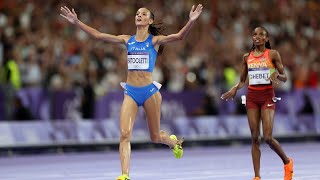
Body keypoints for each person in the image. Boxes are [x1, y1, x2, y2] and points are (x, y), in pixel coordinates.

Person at [60, 4, 203, 180]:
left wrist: (191, 21)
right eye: (137, 13)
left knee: (155, 136)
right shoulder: (127, 40)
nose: (139, 15)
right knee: (125, 134)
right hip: (131, 92)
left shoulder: (154, 41)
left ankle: (174, 142)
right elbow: (98, 35)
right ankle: (124, 175)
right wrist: (77, 22)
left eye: (144, 14)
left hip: (150, 92)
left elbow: (179, 37)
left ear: (150, 21)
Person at [221, 27, 294, 180]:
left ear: (266, 39)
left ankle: (287, 162)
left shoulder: (273, 54)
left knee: (267, 137)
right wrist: (234, 89)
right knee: (255, 137)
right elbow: (242, 81)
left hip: (267, 96)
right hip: (252, 97)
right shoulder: (246, 57)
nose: (257, 36)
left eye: (261, 34)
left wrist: (276, 75)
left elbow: (285, 77)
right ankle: (257, 176)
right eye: (254, 34)